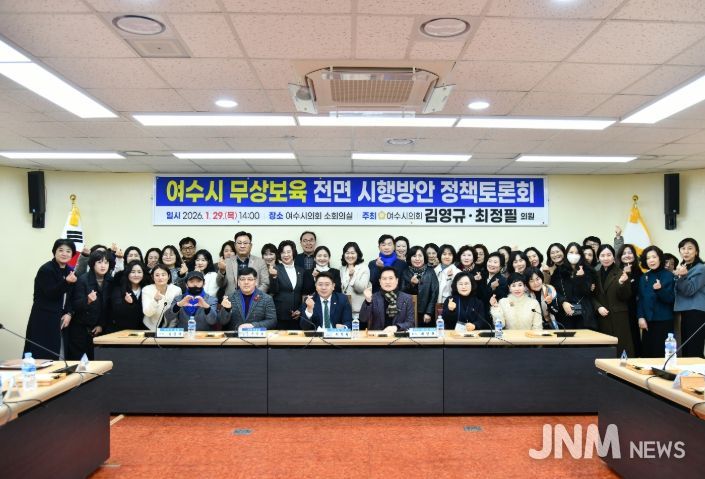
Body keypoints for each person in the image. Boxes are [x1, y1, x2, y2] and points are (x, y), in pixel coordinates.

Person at [24, 239, 77, 360]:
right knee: (42, 353)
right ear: (54, 252)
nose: (64, 253)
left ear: (72, 254)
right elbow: (50, 293)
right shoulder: (46, 269)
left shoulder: (70, 271)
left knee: (60, 353)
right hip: (44, 317)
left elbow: (71, 296)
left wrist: (69, 313)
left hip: (62, 317)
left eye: (68, 251)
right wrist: (66, 282)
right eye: (61, 250)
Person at [67, 250, 114, 360]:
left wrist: (101, 325)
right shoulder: (83, 280)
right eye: (99, 262)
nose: (103, 266)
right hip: (81, 329)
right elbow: (75, 305)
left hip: (99, 329)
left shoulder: (110, 281)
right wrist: (87, 300)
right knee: (80, 362)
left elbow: (109, 308)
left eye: (106, 262)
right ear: (93, 264)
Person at [593, 245, 634, 357]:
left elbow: (626, 296)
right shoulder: (595, 274)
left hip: (618, 317)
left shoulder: (621, 273)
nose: (606, 258)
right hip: (602, 317)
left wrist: (621, 283)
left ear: (613, 256)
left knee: (621, 349)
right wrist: (598, 307)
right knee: (605, 350)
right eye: (602, 255)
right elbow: (592, 296)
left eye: (609, 255)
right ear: (598, 258)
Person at [636, 246, 675, 358]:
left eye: (654, 257)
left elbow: (670, 299)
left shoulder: (669, 275)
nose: (651, 260)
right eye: (648, 258)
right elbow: (640, 299)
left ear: (660, 258)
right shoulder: (644, 277)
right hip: (648, 321)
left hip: (664, 321)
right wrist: (640, 317)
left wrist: (660, 289)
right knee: (647, 354)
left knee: (661, 354)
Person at [268, 240, 314, 329]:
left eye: (288, 252)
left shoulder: (301, 270)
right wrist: (274, 277)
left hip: (297, 316)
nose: (286, 255)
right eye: (283, 252)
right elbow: (273, 291)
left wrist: (300, 310)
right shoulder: (275, 269)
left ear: (293, 252)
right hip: (279, 316)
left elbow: (304, 294)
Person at [551, 242, 596, 330]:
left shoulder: (588, 270)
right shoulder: (559, 271)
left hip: (584, 314)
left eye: (577, 253)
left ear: (581, 255)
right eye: (571, 252)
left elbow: (588, 292)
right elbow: (554, 291)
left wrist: (580, 278)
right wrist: (563, 302)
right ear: (566, 254)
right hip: (565, 314)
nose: (574, 255)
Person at [673, 237, 705, 358]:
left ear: (696, 252)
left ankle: (698, 370)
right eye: (683, 248)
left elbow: (689, 290)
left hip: (696, 311)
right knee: (685, 348)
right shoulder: (683, 267)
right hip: (685, 311)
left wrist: (682, 277)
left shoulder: (701, 268)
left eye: (690, 248)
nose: (686, 251)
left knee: (694, 349)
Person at [359, 267, 414, 332]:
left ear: (397, 281)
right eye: (384, 279)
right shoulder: (373, 297)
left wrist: (397, 327)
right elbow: (363, 319)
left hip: (398, 335)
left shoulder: (406, 298)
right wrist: (368, 301)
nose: (387, 282)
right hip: (377, 335)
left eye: (391, 278)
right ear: (380, 281)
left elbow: (411, 323)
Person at [217, 231, 269, 296]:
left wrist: (254, 296)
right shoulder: (227, 262)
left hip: (255, 299)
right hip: (231, 300)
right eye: (239, 243)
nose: (242, 246)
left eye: (245, 243)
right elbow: (220, 285)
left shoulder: (260, 262)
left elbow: (265, 283)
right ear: (235, 245)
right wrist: (222, 271)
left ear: (251, 246)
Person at [401, 246, 440, 327]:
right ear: (410, 258)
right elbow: (402, 293)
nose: (417, 259)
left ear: (424, 257)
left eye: (420, 256)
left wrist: (429, 312)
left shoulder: (430, 271)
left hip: (426, 313)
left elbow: (434, 293)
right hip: (409, 312)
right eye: (414, 256)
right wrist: (412, 284)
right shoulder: (405, 272)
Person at [617, 243, 643, 357]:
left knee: (634, 337)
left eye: (630, 253)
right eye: (624, 253)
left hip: (633, 310)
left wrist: (629, 275)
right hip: (619, 309)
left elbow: (636, 292)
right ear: (620, 256)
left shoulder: (639, 272)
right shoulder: (616, 271)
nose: (627, 255)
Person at [109, 260, 148, 332]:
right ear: (128, 273)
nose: (136, 275)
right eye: (133, 272)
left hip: (142, 330)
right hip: (122, 331)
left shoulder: (146, 289)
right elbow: (116, 311)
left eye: (139, 272)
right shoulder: (119, 289)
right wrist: (128, 304)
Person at [142, 264, 182, 330]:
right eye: (157, 275)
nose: (160, 278)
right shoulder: (147, 289)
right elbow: (148, 313)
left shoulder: (176, 290)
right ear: (152, 277)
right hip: (150, 327)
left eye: (163, 275)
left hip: (171, 327)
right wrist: (155, 300)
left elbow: (177, 312)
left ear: (168, 276)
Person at [339, 242, 371, 324]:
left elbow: (361, 289)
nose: (350, 256)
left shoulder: (364, 268)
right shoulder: (342, 268)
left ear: (358, 254)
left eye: (353, 253)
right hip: (344, 310)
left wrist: (352, 277)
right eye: (347, 253)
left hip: (358, 312)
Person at [477, 252, 508, 321]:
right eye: (490, 261)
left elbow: (502, 299)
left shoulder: (503, 280)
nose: (491, 264)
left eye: (495, 262)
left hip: (492, 316)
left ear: (501, 266)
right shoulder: (482, 276)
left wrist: (494, 289)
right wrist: (477, 281)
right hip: (479, 314)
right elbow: (479, 295)